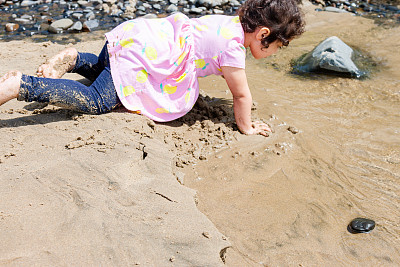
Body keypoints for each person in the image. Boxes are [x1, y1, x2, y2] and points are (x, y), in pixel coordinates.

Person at [0, 0, 305, 136]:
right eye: (280, 46)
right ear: (264, 34)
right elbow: (241, 96)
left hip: (135, 38)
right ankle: (22, 86)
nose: (277, 52)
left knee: (110, 70)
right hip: (140, 58)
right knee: (99, 100)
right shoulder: (233, 50)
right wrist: (247, 126)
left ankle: (78, 59)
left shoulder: (228, 23)